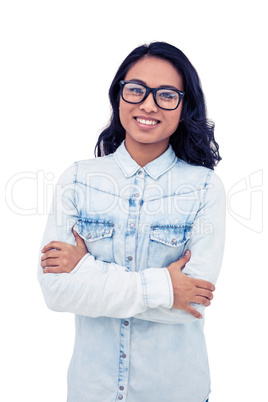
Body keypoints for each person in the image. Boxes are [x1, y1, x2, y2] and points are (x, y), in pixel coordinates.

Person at [38, 41, 225, 402]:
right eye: (136, 90)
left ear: (185, 106)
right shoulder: (78, 179)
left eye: (166, 94)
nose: (148, 104)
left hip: (176, 392)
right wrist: (164, 287)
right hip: (91, 392)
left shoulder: (204, 188)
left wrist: (87, 270)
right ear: (119, 96)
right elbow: (56, 291)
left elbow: (191, 305)